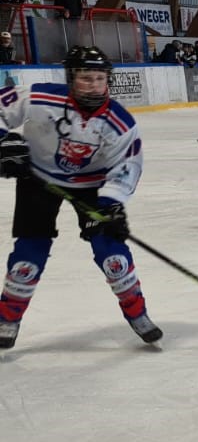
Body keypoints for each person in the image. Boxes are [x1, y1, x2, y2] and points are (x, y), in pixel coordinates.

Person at [0, 46, 160, 349]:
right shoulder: (40, 97)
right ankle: (7, 317)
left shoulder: (120, 122)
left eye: (100, 78)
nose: (94, 85)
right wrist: (3, 142)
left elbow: (127, 167)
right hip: (38, 178)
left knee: (111, 250)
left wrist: (111, 203)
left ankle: (137, 313)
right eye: (86, 78)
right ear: (71, 78)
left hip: (92, 186)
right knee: (29, 250)